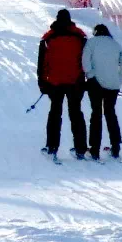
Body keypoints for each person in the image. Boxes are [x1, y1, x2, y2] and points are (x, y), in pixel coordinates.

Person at [36, 9, 89, 162]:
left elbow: (41, 62)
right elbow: (85, 59)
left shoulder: (48, 37)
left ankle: (52, 148)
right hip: (75, 81)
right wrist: (84, 79)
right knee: (76, 114)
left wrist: (42, 81)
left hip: (54, 81)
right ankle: (80, 149)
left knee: (55, 114)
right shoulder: (80, 36)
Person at [82, 23, 122, 160]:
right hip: (113, 85)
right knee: (110, 113)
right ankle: (115, 147)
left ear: (95, 32)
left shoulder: (91, 43)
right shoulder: (115, 44)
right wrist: (118, 81)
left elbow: (85, 62)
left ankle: (94, 149)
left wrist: (90, 76)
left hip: (95, 84)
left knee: (96, 114)